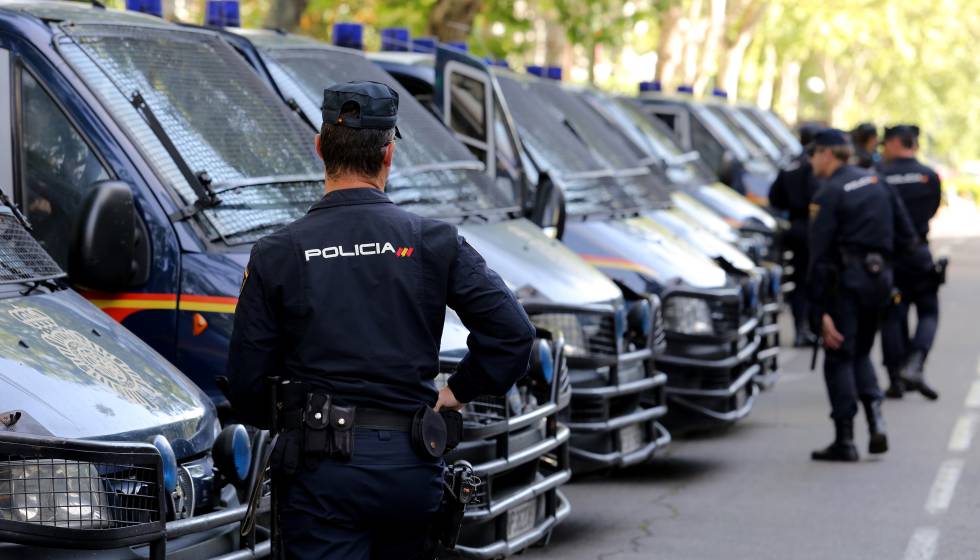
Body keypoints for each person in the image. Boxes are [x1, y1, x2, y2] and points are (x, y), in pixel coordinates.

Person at [227, 81, 536, 559]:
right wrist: (455, 393)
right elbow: (514, 334)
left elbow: (247, 388)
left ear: (319, 148)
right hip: (411, 467)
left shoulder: (278, 253)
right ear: (388, 154)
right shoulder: (432, 241)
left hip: (321, 474)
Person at [806, 128, 916, 462]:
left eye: (813, 154)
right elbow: (906, 235)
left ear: (827, 153)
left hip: (845, 285)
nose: (811, 162)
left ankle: (845, 439)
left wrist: (818, 310)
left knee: (839, 354)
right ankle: (876, 420)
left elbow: (819, 254)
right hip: (878, 281)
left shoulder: (830, 193)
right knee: (861, 352)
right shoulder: (876, 182)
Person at [877, 124, 943, 400]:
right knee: (928, 311)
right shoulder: (928, 176)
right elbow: (933, 209)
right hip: (917, 250)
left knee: (893, 315)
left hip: (889, 254)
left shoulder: (878, 176)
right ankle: (915, 362)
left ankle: (896, 379)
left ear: (894, 143)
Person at [768, 124, 822, 347]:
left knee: (800, 281)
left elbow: (775, 198)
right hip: (813, 227)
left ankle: (801, 328)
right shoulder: (815, 166)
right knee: (814, 280)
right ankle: (811, 327)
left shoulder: (789, 164)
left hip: (795, 226)